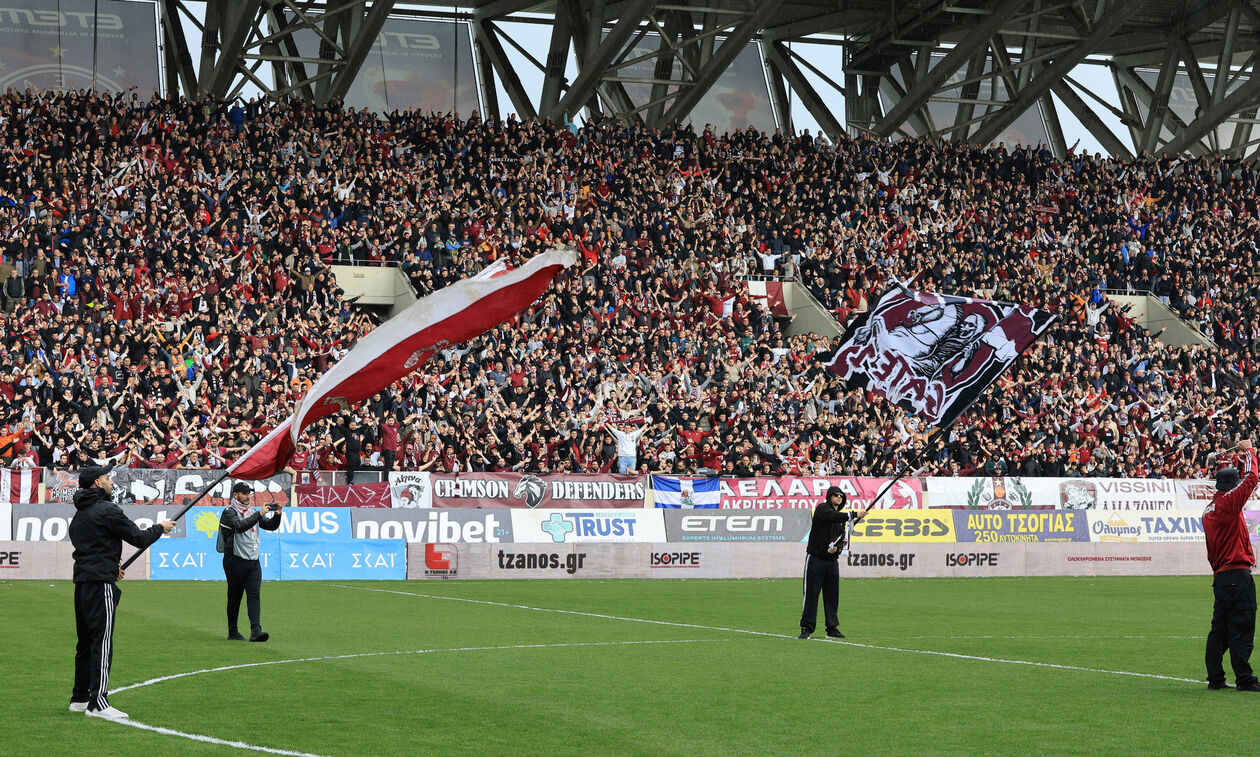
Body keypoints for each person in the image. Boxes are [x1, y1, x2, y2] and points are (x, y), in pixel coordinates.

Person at [68, 464, 175, 719]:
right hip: (99, 582)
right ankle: (98, 704)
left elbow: (92, 546)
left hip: (83, 581)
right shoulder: (107, 509)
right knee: (102, 641)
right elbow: (138, 538)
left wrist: (109, 565)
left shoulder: (80, 514)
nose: (110, 482)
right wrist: (160, 528)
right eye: (106, 478)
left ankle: (80, 698)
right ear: (97, 483)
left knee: (85, 642)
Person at [1202, 439, 1260, 691]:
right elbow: (1251, 479)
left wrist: (1232, 458)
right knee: (1242, 627)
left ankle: (1215, 678)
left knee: (1219, 630)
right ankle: (1244, 679)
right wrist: (1249, 450)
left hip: (1222, 576)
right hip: (1237, 573)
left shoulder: (1209, 508)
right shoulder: (1228, 503)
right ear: (1231, 486)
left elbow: (1237, 482)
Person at [219, 481, 283, 642]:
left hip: (253, 560)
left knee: (254, 595)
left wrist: (277, 515)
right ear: (235, 495)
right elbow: (239, 526)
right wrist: (259, 514)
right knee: (235, 597)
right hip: (235, 560)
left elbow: (270, 526)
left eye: (249, 493)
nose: (248, 496)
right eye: (245, 493)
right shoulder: (229, 512)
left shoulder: (251, 511)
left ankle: (256, 631)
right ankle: (232, 631)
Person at [799, 486, 866, 639]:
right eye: (836, 495)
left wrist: (836, 550)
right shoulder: (823, 509)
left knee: (832, 596)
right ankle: (806, 628)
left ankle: (832, 628)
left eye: (841, 496)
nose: (839, 497)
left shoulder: (841, 519)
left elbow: (841, 539)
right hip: (815, 559)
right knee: (811, 594)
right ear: (830, 496)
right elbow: (833, 516)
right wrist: (854, 514)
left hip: (831, 562)